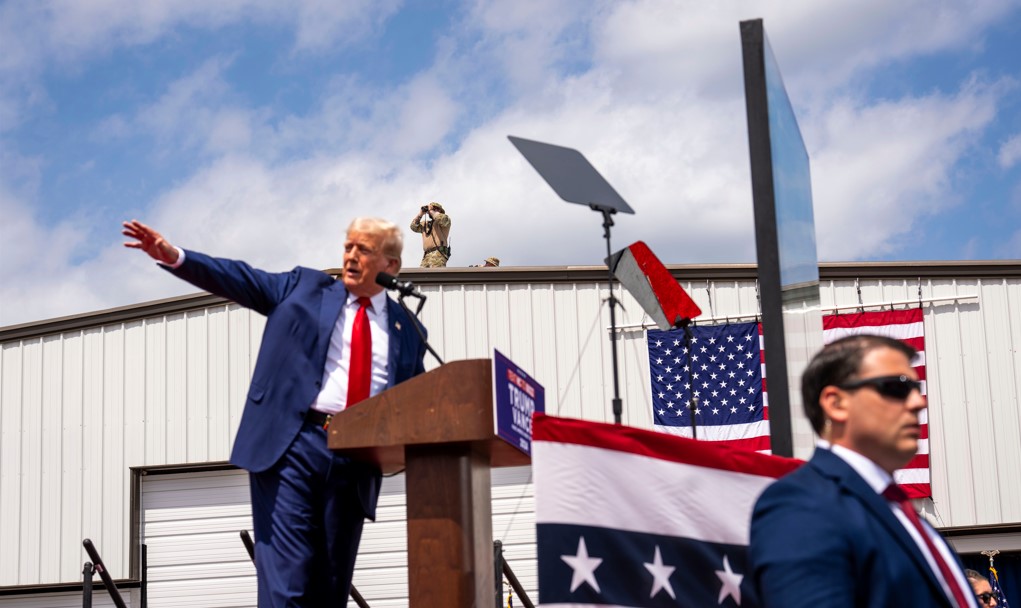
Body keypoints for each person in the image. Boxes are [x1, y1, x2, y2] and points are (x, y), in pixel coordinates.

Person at [123, 218, 427, 608]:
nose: (350, 256)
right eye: (348, 246)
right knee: (289, 584)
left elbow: (419, 400)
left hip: (358, 460)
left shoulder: (408, 330)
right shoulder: (303, 288)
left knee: (330, 590)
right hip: (294, 446)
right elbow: (239, 278)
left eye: (364, 250)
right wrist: (175, 256)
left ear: (391, 266)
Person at [749, 334, 978, 607]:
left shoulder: (902, 514)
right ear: (836, 403)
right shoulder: (802, 505)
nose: (919, 402)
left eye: (917, 388)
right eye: (897, 387)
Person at [410, 202, 451, 267]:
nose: (434, 210)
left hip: (438, 254)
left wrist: (431, 210)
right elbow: (413, 227)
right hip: (426, 256)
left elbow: (442, 220)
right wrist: (421, 213)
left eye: (436, 209)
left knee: (435, 275)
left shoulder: (445, 219)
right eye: (433, 208)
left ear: (440, 211)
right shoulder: (425, 224)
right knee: (421, 276)